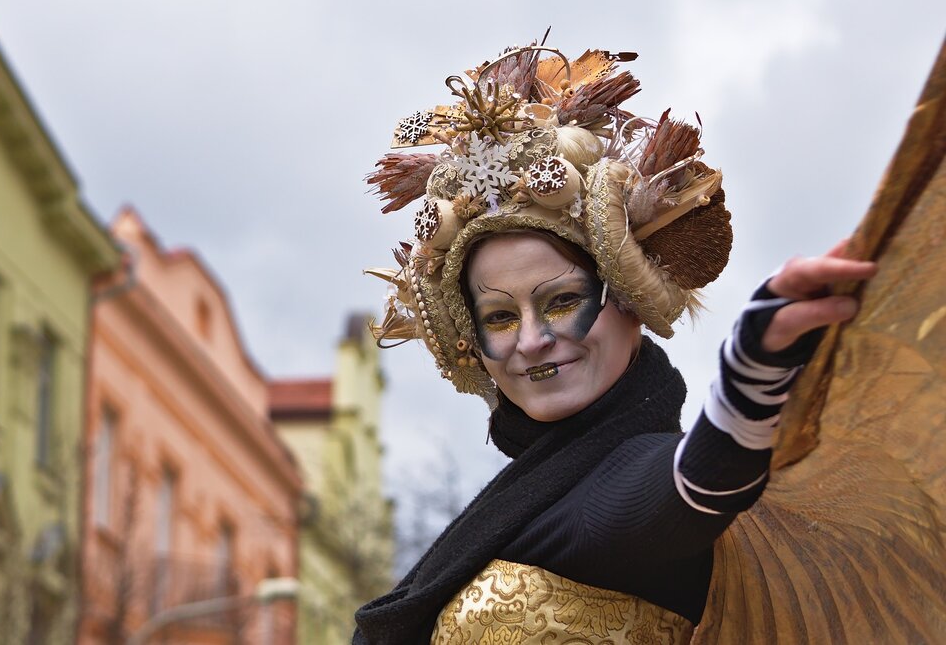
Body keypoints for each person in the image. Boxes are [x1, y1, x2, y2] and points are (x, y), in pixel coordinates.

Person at [352, 42, 877, 644]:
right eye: (498, 317)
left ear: (629, 297)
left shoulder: (633, 482)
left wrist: (756, 366)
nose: (532, 341)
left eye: (563, 302)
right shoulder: (507, 513)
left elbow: (692, 487)